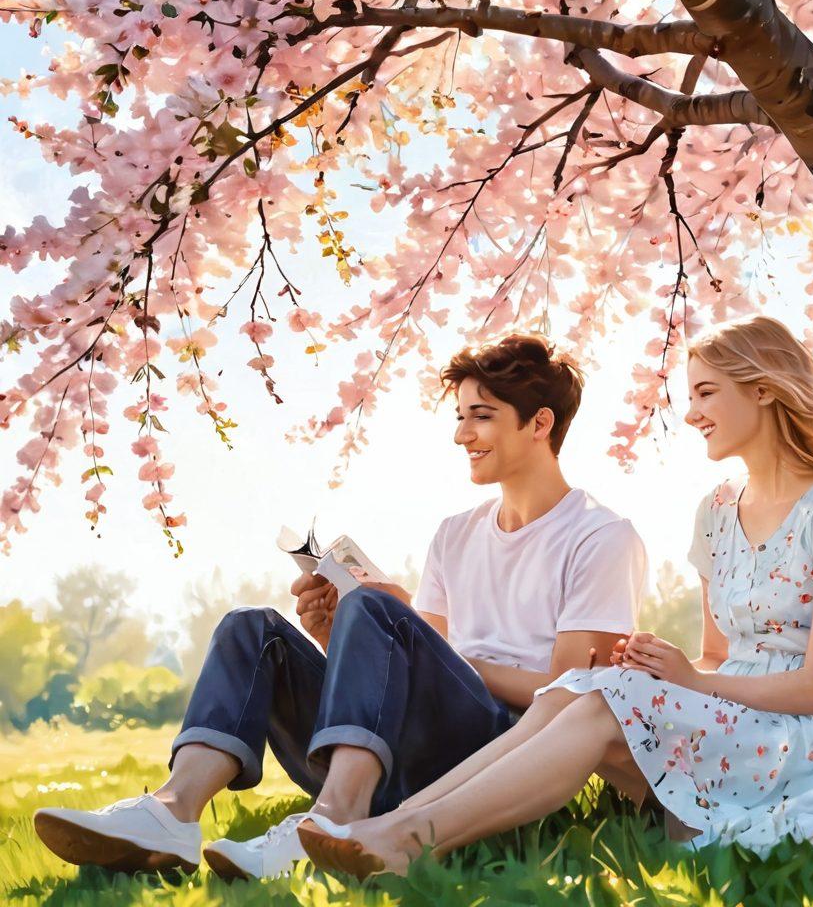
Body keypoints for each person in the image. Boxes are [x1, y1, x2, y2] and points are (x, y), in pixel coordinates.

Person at [295, 315, 813, 878]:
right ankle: (391, 827)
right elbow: (715, 656)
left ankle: (413, 840)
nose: (691, 412)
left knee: (596, 696)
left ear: (764, 391)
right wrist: (671, 672)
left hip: (810, 741)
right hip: (735, 715)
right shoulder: (717, 511)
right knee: (579, 689)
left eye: (707, 394)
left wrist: (687, 684)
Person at [33, 334, 648, 879]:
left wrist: (410, 638)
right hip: (389, 750)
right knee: (255, 629)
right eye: (460, 417)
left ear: (539, 425)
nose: (462, 434)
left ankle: (333, 819)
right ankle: (171, 812)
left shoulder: (599, 536)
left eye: (481, 417)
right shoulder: (455, 533)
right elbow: (410, 677)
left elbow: (572, 693)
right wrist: (340, 634)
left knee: (379, 612)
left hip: (494, 757)